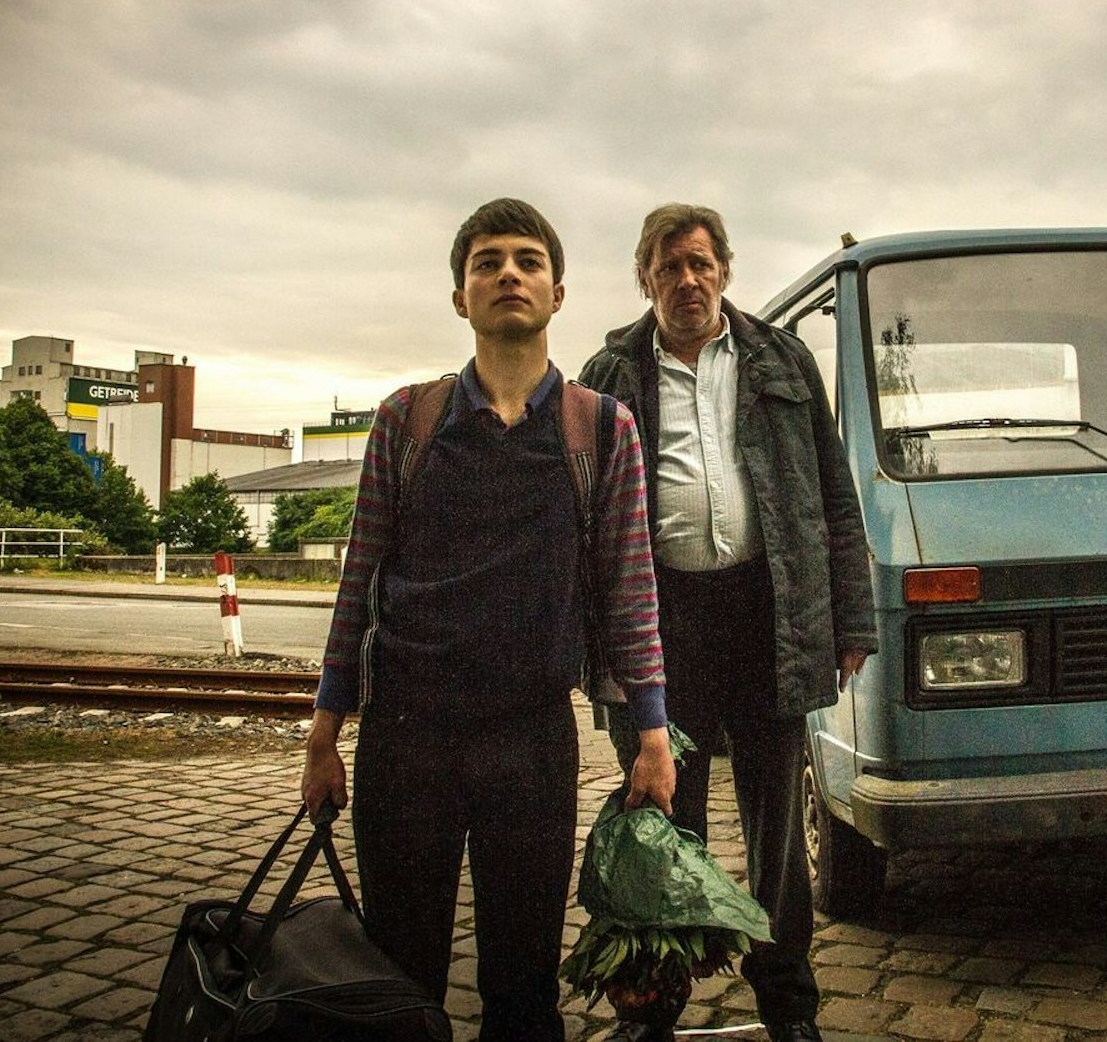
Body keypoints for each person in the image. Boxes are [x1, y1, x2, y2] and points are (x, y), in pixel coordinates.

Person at [302, 197, 676, 1042]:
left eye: (527, 260)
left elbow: (628, 587)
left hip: (531, 740)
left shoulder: (599, 428)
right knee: (402, 976)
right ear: (459, 298)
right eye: (486, 262)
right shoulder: (409, 419)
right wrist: (325, 730)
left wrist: (651, 732)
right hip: (405, 738)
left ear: (558, 292)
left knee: (521, 979)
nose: (508, 273)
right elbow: (358, 581)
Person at [579, 204, 877, 1042]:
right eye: (669, 266)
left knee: (775, 827)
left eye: (701, 263)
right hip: (657, 621)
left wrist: (851, 614)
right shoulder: (607, 374)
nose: (687, 280)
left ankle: (788, 1006)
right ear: (646, 276)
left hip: (766, 612)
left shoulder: (779, 358)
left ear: (724, 270)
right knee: (661, 826)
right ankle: (655, 1010)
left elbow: (833, 492)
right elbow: (579, 522)